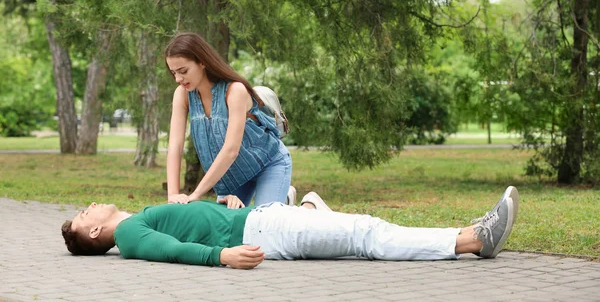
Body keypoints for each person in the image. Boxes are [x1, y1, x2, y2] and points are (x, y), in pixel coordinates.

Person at [60, 187, 519, 269]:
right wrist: (220, 256)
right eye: (85, 214)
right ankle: (473, 239)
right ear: (96, 234)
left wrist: (223, 207)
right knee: (367, 236)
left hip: (257, 221)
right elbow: (169, 250)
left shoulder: (133, 219)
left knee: (361, 234)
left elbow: (188, 226)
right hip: (263, 232)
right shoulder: (129, 235)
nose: (91, 206)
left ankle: (312, 207)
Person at [164, 32, 293, 207]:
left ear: (202, 62)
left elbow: (231, 150)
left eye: (183, 71)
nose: (178, 79)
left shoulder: (235, 91)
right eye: (173, 73)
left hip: (268, 164)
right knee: (225, 231)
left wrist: (196, 194)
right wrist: (173, 194)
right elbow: (175, 145)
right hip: (231, 176)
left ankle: (302, 204)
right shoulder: (183, 95)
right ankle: (280, 202)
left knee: (264, 224)